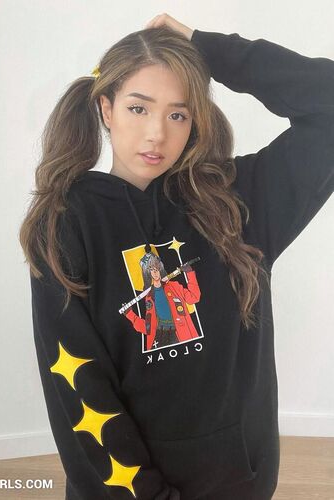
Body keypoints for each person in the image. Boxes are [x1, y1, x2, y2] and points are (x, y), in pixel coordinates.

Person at [19, 13, 334, 500]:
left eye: (178, 114)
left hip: (240, 483)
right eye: (138, 108)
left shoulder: (236, 204)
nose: (156, 134)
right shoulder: (66, 220)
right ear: (106, 108)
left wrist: (208, 49)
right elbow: (80, 389)